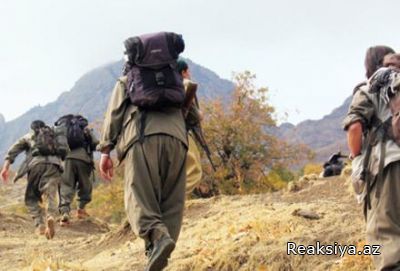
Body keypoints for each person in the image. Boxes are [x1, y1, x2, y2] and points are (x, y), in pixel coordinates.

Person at [98, 32, 187, 271]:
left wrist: (106, 151)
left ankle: (157, 239)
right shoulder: (176, 78)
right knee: (171, 202)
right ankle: (158, 253)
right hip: (178, 140)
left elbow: (114, 114)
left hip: (142, 137)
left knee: (138, 197)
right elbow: (193, 114)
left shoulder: (128, 79)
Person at [343, 45, 400, 270]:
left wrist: (356, 156)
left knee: (386, 236)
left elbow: (355, 126)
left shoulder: (371, 88)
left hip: (389, 168)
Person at [0, 120, 64, 239]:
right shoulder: (53, 136)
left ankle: (39, 224)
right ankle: (50, 216)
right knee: (50, 194)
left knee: (31, 198)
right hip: (54, 166)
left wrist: (5, 168)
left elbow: (13, 150)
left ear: (32, 128)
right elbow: (64, 151)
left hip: (36, 166)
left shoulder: (29, 136)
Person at [58, 115, 99, 226]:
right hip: (83, 159)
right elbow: (95, 143)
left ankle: (64, 213)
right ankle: (81, 210)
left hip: (67, 160)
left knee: (66, 185)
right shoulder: (84, 129)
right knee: (85, 185)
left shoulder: (65, 130)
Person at [176, 59, 203, 196]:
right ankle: (175, 201)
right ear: (183, 72)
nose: (190, 73)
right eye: (188, 70)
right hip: (179, 132)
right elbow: (195, 117)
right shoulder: (184, 86)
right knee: (194, 170)